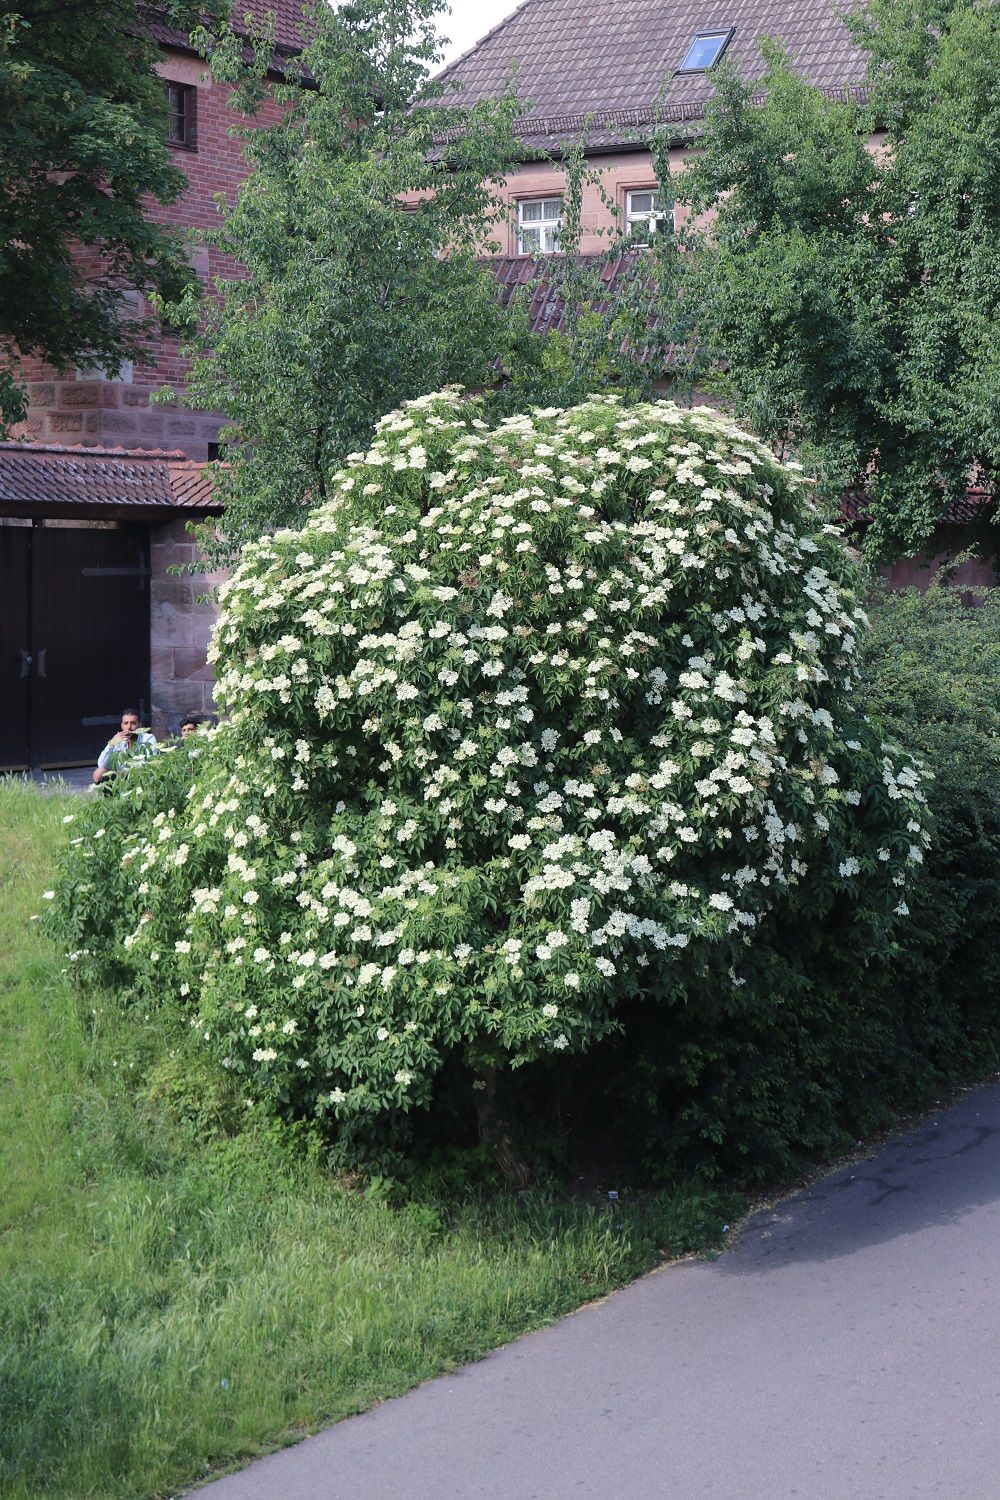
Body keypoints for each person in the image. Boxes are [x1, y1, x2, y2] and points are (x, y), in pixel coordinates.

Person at [92, 709, 157, 785]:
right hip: (121, 779)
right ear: (122, 725)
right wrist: (111, 743)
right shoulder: (117, 740)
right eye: (126, 723)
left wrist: (126, 772)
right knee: (99, 773)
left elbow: (150, 764)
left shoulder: (148, 738)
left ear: (139, 725)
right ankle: (110, 797)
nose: (129, 727)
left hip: (141, 777)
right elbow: (101, 764)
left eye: (133, 723)